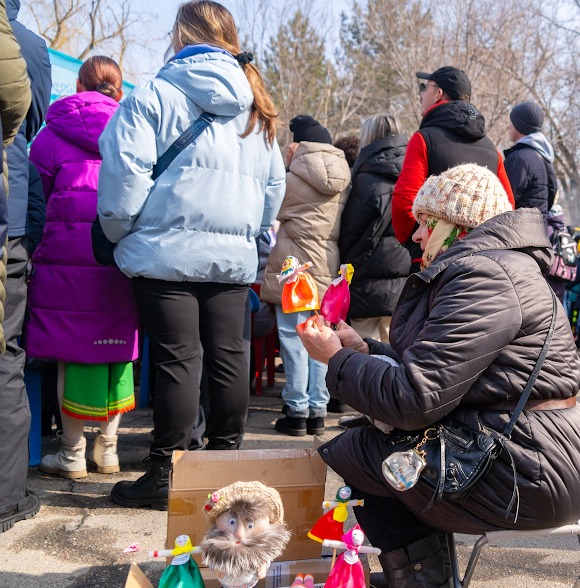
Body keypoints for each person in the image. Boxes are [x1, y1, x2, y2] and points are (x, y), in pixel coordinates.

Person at [298, 163, 580, 588]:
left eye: (424, 222)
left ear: (457, 223)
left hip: (531, 471)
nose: (414, 234)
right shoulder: (494, 267)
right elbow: (439, 377)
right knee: (381, 449)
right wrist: (359, 348)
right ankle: (414, 576)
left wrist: (336, 359)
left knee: (365, 452)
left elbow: (415, 399)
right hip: (530, 454)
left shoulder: (485, 276)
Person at [97, 0, 286, 509]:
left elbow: (123, 174)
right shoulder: (256, 105)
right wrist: (250, 236)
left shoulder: (154, 94)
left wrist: (118, 233)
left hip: (163, 249)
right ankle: (227, 468)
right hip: (231, 255)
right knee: (229, 356)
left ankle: (166, 473)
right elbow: (273, 189)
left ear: (181, 36)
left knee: (179, 360)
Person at [26, 56, 139, 479]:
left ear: (78, 84)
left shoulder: (50, 136)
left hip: (63, 265)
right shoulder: (135, 130)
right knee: (118, 353)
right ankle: (108, 451)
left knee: (71, 357)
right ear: (119, 87)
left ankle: (71, 454)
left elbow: (35, 203)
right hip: (118, 260)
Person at [260, 114, 350, 437]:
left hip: (294, 271)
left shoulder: (293, 177)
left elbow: (272, 211)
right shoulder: (343, 176)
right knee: (320, 337)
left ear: (298, 144)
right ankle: (318, 408)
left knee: (293, 338)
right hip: (326, 267)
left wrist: (286, 166)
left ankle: (297, 408)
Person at [391, 66, 514, 271]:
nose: (421, 94)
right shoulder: (492, 149)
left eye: (425, 88)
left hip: (431, 259)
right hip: (483, 260)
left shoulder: (423, 139)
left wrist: (416, 242)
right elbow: (508, 206)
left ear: (438, 94)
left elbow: (404, 200)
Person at [0, 0, 32, 534]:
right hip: (17, 218)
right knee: (5, 352)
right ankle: (6, 495)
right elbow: (16, 99)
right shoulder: (28, 42)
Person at [339, 114, 409, 343]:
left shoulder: (364, 180)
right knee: (396, 361)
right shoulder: (414, 175)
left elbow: (349, 234)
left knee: (363, 360)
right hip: (403, 286)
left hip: (365, 286)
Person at [504, 100, 558, 214]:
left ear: (519, 126)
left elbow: (504, 201)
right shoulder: (546, 159)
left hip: (517, 229)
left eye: (512, 123)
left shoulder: (518, 159)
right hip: (540, 229)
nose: (509, 127)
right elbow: (550, 200)